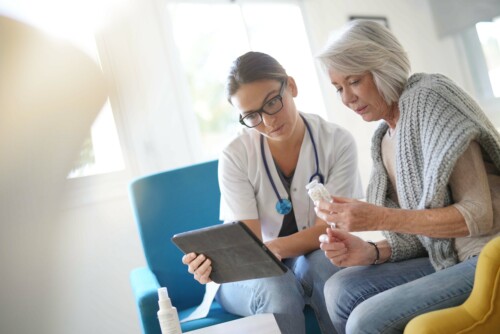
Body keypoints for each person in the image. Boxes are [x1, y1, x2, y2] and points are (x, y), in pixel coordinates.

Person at [313, 20, 500, 334]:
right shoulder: (385, 138)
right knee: (338, 290)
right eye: (338, 88)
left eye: (354, 81)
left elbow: (478, 216)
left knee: (365, 321)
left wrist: (380, 217)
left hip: (486, 253)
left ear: (383, 68)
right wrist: (372, 250)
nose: (346, 98)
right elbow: (422, 228)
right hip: (447, 255)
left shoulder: (431, 98)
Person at [182, 51, 364, 334]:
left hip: (309, 253)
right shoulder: (236, 155)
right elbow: (249, 249)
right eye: (251, 116)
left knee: (327, 268)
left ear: (290, 86)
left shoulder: (337, 142)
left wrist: (275, 248)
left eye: (272, 103)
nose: (267, 121)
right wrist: (210, 263)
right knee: (277, 284)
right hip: (251, 272)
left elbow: (329, 230)